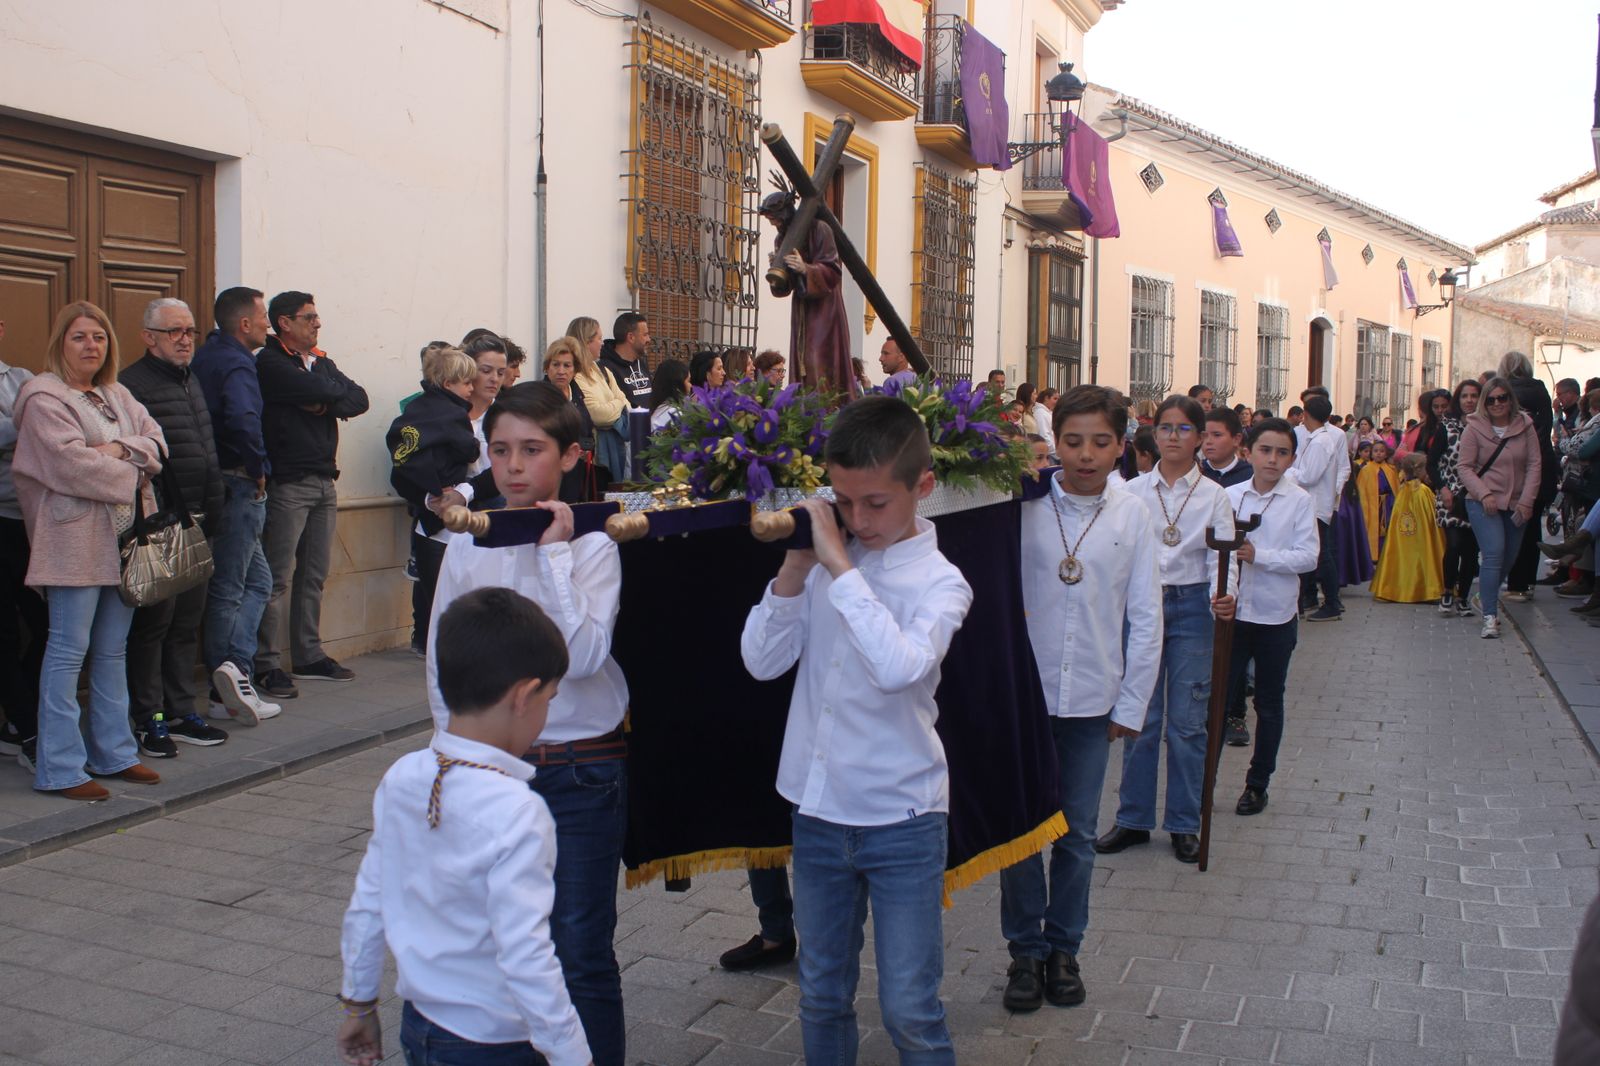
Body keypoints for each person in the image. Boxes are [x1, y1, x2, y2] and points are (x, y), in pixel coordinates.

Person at [741, 396, 973, 1065]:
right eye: (843, 502)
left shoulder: (942, 583)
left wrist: (839, 568)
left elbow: (897, 668)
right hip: (817, 812)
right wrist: (795, 569)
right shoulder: (822, 565)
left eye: (876, 503)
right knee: (820, 993)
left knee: (910, 1010)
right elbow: (761, 662)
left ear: (922, 486)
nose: (858, 519)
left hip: (902, 817)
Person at [426, 382, 629, 1066]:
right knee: (495, 940)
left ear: (570, 456)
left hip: (579, 767)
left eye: (532, 450)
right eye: (500, 449)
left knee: (579, 947)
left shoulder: (593, 544)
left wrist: (553, 554)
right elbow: (443, 660)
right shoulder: (470, 539)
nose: (513, 466)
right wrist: (449, 757)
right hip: (491, 772)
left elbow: (583, 656)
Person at [337, 586, 590, 1066]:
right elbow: (526, 953)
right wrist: (573, 1055)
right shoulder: (518, 809)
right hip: (495, 1042)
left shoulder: (403, 776)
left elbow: (370, 901)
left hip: (421, 1027)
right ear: (524, 696)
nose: (547, 716)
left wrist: (359, 1002)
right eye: (549, 699)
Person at [1000, 384, 1161, 1013]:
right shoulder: (1024, 503)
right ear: (1055, 442)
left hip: (1094, 698)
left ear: (1121, 446)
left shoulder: (1133, 515)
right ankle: (1024, 951)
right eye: (1072, 442)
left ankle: (1064, 948)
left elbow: (1146, 616)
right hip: (1026, 696)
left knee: (1076, 833)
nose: (1085, 455)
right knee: (1020, 833)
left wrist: (1132, 704)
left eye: (1100, 442)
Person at [12, 301, 166, 799]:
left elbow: (156, 442)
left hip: (126, 539)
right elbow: (70, 465)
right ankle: (60, 768)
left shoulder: (117, 393)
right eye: (79, 337)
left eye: (98, 337)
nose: (90, 346)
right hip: (73, 540)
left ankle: (113, 753)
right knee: (65, 652)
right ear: (61, 343)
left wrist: (118, 449)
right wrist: (133, 463)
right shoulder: (43, 397)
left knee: (111, 650)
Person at [1095, 395, 1234, 865]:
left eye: (1184, 428)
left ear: (1199, 438)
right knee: (1141, 714)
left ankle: (1183, 823)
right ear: (1154, 436)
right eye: (1166, 428)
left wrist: (1226, 595)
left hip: (1194, 606)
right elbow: (1118, 550)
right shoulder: (1132, 492)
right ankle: (1133, 818)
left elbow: (1223, 556)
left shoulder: (1214, 496)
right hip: (1143, 606)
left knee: (1188, 722)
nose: (1173, 436)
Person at [119, 298, 229, 756]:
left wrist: (215, 506)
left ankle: (183, 711)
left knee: (186, 625)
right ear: (149, 337)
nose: (185, 340)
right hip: (160, 526)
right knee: (153, 628)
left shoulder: (191, 378)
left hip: (198, 522)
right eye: (174, 332)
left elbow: (203, 447)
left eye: (190, 331)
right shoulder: (131, 385)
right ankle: (151, 719)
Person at [254, 291, 369, 697]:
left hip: (324, 479)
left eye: (317, 316)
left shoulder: (320, 361)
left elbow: (358, 398)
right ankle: (265, 663)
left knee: (314, 574)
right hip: (289, 482)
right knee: (276, 577)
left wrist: (320, 401)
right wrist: (326, 395)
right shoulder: (270, 362)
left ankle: (307, 655)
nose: (317, 323)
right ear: (284, 322)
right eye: (309, 317)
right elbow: (328, 392)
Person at [190, 286, 283, 725]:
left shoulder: (207, 356)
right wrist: (258, 467)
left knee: (259, 582)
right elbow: (244, 419)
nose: (267, 324)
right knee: (230, 586)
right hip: (239, 484)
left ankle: (233, 673)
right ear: (244, 323)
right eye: (263, 317)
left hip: (219, 482)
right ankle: (226, 687)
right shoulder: (237, 362)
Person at [1225, 418, 1318, 816]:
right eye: (1265, 450)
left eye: (1282, 453)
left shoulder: (1299, 501)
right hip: (1231, 614)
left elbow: (1308, 556)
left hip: (1274, 615)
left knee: (1268, 702)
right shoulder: (1229, 496)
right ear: (1248, 452)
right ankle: (1201, 781)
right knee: (1217, 701)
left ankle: (1257, 783)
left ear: (1292, 459)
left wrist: (1259, 556)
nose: (1272, 459)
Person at [388, 346, 490, 658]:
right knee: (450, 599)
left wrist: (426, 494)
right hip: (446, 517)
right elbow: (467, 450)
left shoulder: (416, 409)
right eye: (467, 383)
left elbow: (402, 463)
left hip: (427, 513)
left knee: (433, 595)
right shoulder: (454, 414)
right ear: (448, 384)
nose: (472, 388)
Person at [1458, 376, 1542, 638]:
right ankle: (1490, 617)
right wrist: (1483, 494)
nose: (1497, 404)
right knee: (1493, 553)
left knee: (1509, 557)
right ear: (1484, 402)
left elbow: (1534, 465)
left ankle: (1485, 596)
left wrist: (1527, 500)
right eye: (1491, 400)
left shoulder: (1525, 425)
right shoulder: (1474, 427)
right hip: (1482, 502)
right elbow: (1464, 467)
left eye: (1502, 398)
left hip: (1517, 502)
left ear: (1510, 399)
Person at [760, 182, 854, 398]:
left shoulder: (820, 229)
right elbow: (783, 288)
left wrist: (806, 269)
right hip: (802, 308)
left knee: (817, 358)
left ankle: (827, 406)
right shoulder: (782, 238)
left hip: (825, 309)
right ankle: (807, 406)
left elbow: (833, 271)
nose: (774, 224)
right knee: (803, 358)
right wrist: (777, 271)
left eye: (775, 219)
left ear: (785, 213)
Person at [0, 313, 44, 763]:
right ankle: (27, 729)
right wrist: (26, 425)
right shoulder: (30, 391)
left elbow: (48, 429)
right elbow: (34, 427)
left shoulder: (20, 378)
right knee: (5, 635)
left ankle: (19, 716)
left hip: (31, 521)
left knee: (50, 625)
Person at [1499, 351, 1557, 601]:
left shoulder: (1507, 393)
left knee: (1515, 527)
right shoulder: (1541, 391)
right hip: (1545, 465)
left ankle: (1517, 583)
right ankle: (1526, 582)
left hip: (1520, 469)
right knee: (1532, 529)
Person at [1287, 395, 1346, 621]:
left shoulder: (1321, 442)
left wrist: (1287, 471)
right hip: (1313, 503)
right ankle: (1301, 602)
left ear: (1306, 414)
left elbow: (1309, 476)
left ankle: (1332, 603)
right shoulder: (1317, 438)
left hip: (1317, 504)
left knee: (1322, 556)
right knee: (1312, 552)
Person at [1371, 452, 1445, 603]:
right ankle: (1426, 590)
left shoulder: (1403, 490)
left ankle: (1397, 589)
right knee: (1424, 555)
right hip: (1422, 537)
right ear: (1420, 470)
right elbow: (1431, 516)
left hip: (1403, 536)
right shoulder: (1423, 491)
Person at [567, 317, 630, 482]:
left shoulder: (603, 370)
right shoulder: (575, 376)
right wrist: (618, 403)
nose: (602, 343)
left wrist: (615, 405)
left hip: (616, 447)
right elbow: (598, 415)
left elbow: (627, 405)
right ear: (586, 341)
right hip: (595, 458)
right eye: (599, 338)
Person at [543, 338, 601, 504]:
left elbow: (586, 429)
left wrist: (586, 448)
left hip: (578, 472)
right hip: (550, 473)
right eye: (556, 365)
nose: (561, 371)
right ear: (547, 368)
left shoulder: (577, 394)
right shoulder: (540, 396)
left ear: (575, 370)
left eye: (567, 365)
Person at [597, 312, 653, 411]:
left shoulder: (641, 363)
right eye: (645, 335)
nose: (649, 339)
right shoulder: (605, 368)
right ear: (631, 337)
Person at [1355, 439, 1399, 562]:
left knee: (1387, 528)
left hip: (1388, 504)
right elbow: (1361, 491)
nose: (1378, 453)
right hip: (1372, 505)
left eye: (1381, 451)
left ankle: (1387, 553)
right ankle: (1373, 554)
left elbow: (1395, 488)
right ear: (1371, 453)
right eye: (1375, 451)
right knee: (1374, 528)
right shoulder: (1365, 470)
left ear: (1386, 454)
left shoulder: (1391, 470)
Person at [1199, 406, 1252, 487]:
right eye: (1204, 435)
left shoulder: (1251, 477)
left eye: (1217, 435)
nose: (1208, 441)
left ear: (1236, 439)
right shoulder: (1196, 473)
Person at [647, 359, 690, 432]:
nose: (690, 385)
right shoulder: (673, 413)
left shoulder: (661, 407)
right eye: (688, 381)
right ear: (678, 385)